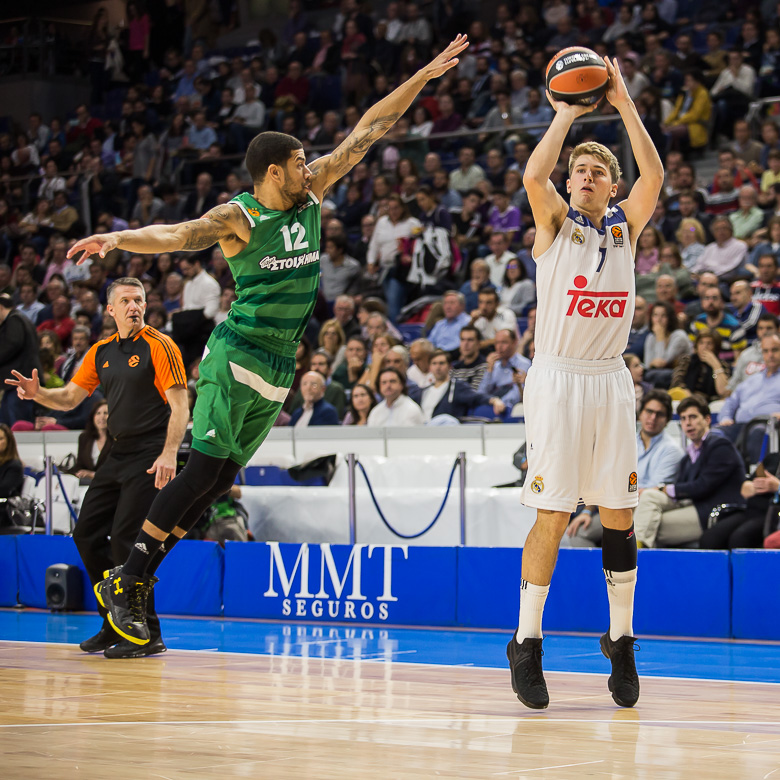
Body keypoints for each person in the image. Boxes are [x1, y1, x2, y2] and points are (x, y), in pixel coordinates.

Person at [61, 35, 470, 646]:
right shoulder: (239, 218)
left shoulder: (313, 192)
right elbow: (177, 235)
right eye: (300, 163)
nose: (311, 167)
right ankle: (130, 579)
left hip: (280, 364)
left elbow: (371, 127)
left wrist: (423, 75)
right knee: (201, 469)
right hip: (236, 355)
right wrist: (119, 239)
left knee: (218, 483)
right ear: (274, 171)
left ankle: (134, 578)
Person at [508, 57, 664, 711]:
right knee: (553, 512)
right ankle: (527, 642)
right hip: (558, 378)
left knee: (619, 516)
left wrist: (623, 102)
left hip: (610, 380)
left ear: (612, 185)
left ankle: (620, 640)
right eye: (579, 170)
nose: (587, 176)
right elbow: (532, 176)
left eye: (598, 172)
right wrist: (565, 115)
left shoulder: (626, 227)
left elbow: (655, 176)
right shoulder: (554, 224)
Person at [5, 278, 188, 658]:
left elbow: (180, 404)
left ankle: (147, 632)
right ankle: (114, 623)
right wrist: (39, 394)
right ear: (111, 309)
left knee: (126, 539)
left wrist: (170, 453)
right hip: (115, 454)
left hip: (149, 452)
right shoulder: (101, 351)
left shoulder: (161, 345)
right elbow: (70, 398)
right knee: (86, 534)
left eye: (139, 300)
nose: (134, 306)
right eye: (126, 301)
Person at [566, 390, 683, 547]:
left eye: (659, 414)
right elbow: (603, 479)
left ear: (667, 420)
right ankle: (599, 565)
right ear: (640, 414)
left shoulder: (672, 450)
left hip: (641, 510)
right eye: (649, 411)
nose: (653, 418)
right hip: (615, 505)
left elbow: (651, 491)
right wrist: (588, 511)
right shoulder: (624, 441)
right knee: (579, 531)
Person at [633, 395, 745, 549]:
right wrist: (655, 490)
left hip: (717, 511)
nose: (688, 423)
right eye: (683, 418)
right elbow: (684, 489)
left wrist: (662, 488)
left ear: (707, 419)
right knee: (649, 496)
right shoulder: (688, 457)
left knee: (650, 523)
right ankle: (636, 549)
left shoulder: (720, 446)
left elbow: (703, 486)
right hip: (693, 505)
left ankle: (634, 554)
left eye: (693, 417)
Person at [409, 349, 505, 422]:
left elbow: (476, 397)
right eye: (434, 363)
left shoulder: (457, 387)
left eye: (441, 363)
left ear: (449, 367)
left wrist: (494, 400)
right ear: (430, 367)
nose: (438, 367)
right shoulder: (423, 391)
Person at [0, 294, 42, 426]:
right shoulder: (19, 319)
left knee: (19, 425)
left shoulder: (15, 319)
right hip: (13, 385)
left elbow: (13, 343)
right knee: (6, 425)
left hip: (21, 382)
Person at [72, 399, 110, 481]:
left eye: (106, 413)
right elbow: (80, 464)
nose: (102, 417)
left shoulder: (117, 439)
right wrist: (80, 473)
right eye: (98, 413)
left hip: (110, 483)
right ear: (93, 416)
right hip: (87, 483)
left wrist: (93, 475)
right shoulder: (84, 437)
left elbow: (118, 468)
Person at [0, 424, 24, 529]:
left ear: (9, 442)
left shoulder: (14, 466)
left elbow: (3, 490)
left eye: (0, 439)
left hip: (5, 513)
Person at [451, 325, 488, 390]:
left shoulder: (484, 366)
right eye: (462, 340)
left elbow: (474, 393)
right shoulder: (455, 367)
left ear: (478, 344)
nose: (465, 344)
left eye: (470, 340)